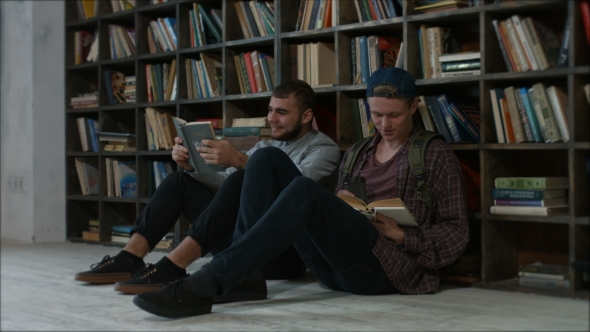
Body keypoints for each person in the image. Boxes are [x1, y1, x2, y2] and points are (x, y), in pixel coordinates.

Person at [132, 67, 470, 318]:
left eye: (394, 115)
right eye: (377, 114)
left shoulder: (434, 155)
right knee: (265, 157)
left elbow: (457, 233)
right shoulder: (359, 152)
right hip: (333, 265)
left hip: (386, 270)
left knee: (304, 189)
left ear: (413, 107)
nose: (385, 124)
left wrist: (402, 235)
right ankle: (245, 277)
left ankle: (211, 280)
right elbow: (342, 203)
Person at [74, 80, 342, 299]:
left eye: (281, 112)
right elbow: (226, 186)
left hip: (283, 253)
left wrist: (239, 161)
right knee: (180, 182)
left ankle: (174, 265)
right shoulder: (264, 146)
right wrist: (193, 166)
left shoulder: (324, 149)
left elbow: (296, 190)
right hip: (241, 243)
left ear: (307, 116)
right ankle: (130, 258)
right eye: (270, 109)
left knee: (240, 177)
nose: (271, 118)